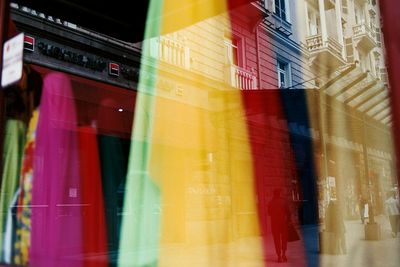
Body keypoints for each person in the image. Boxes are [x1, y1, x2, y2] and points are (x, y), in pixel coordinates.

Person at [268, 188, 290, 262]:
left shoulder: (270, 203)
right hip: (283, 223)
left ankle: (279, 257)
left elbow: (269, 213)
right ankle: (283, 254)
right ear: (279, 194)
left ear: (274, 194)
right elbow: (288, 212)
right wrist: (288, 220)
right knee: (284, 239)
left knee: (276, 240)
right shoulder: (284, 202)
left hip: (274, 223)